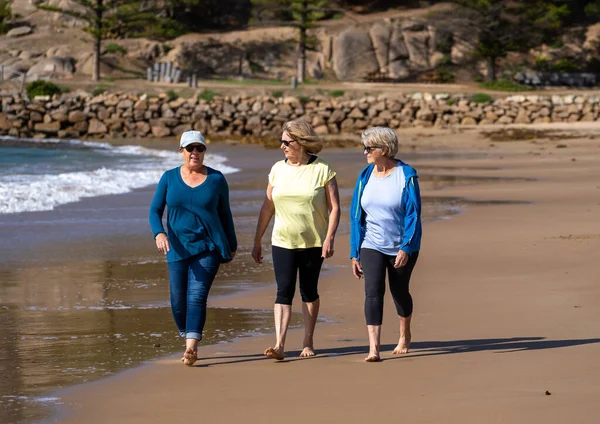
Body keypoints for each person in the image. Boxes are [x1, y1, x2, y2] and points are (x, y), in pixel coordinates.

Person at [252, 120, 340, 360]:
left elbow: (334, 208)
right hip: (282, 240)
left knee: (309, 291)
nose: (282, 147)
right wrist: (257, 239)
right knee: (283, 291)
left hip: (313, 242)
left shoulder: (323, 169)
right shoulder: (277, 169)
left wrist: (329, 238)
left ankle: (308, 341)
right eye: (281, 142)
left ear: (301, 143)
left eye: (286, 142)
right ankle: (279, 344)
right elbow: (267, 207)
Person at [149, 130, 237, 366]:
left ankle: (191, 348)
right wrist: (159, 233)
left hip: (208, 247)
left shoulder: (217, 180)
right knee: (178, 301)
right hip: (176, 248)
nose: (195, 153)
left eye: (200, 148)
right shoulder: (169, 178)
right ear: (181, 151)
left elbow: (225, 214)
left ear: (205, 151)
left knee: (196, 296)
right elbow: (154, 211)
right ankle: (187, 333)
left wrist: (232, 244)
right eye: (190, 149)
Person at [349, 126, 422, 362]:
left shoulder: (406, 175)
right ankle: (374, 348)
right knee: (372, 292)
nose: (365, 153)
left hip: (401, 244)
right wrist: (354, 252)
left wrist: (406, 247)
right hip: (371, 243)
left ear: (384, 149)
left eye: (369, 148)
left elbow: (413, 214)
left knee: (399, 292)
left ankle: (404, 334)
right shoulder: (365, 175)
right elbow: (356, 215)